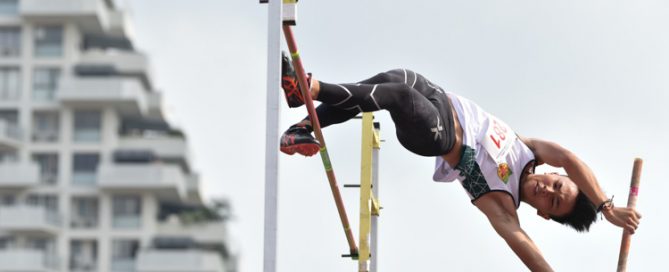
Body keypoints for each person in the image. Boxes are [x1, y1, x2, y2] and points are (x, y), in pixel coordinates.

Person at [277, 52, 642, 271]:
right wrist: (606, 207)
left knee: (399, 96)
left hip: (438, 134)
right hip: (437, 95)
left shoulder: (503, 206)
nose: (548, 190)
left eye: (553, 201)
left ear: (544, 214)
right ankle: (304, 124)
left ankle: (310, 89)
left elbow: (524, 247)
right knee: (393, 79)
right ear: (554, 174)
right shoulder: (530, 150)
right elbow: (569, 158)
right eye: (557, 185)